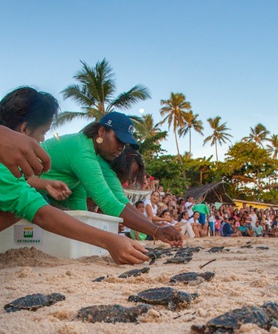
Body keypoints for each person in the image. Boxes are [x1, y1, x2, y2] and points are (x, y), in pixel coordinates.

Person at [0, 87, 149, 264]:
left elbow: (93, 203)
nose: (42, 141)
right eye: (42, 133)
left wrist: (45, 184)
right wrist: (109, 240)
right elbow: (43, 214)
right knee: (22, 208)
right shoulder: (81, 151)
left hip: (33, 192)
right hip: (34, 200)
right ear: (25, 129)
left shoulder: (89, 158)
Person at [40, 112, 182, 246]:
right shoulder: (83, 153)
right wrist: (155, 230)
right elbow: (109, 202)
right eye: (118, 140)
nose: (121, 148)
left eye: (124, 144)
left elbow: (79, 201)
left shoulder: (88, 153)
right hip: (25, 187)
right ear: (101, 131)